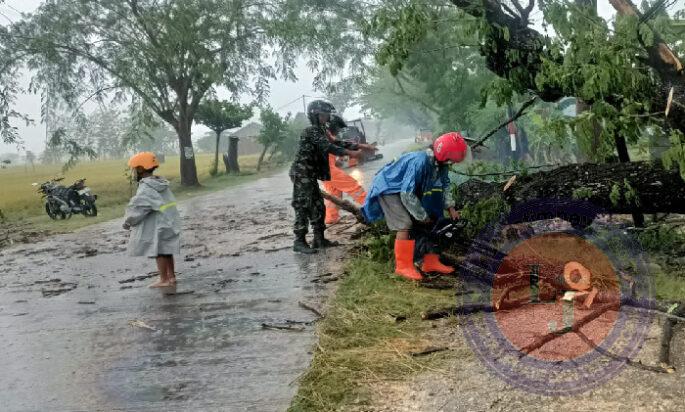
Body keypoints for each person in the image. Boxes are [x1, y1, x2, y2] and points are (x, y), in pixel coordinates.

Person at [362, 132, 468, 281]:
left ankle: (430, 262)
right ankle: (403, 266)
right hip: (389, 187)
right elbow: (407, 193)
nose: (454, 163)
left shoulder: (441, 164)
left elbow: (445, 185)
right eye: (453, 159)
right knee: (405, 223)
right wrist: (421, 216)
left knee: (435, 218)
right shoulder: (420, 161)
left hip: (405, 189)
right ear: (445, 154)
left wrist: (450, 208)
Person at [289, 100, 374, 254]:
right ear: (315, 115)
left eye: (327, 115)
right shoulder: (311, 131)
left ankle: (319, 239)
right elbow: (328, 147)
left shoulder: (322, 131)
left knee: (318, 206)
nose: (327, 118)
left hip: (311, 174)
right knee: (303, 206)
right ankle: (299, 241)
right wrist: (352, 154)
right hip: (302, 173)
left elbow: (338, 142)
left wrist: (362, 146)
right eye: (324, 115)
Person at [123, 152, 181, 288]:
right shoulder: (160, 182)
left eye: (134, 169)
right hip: (169, 220)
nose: (133, 172)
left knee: (159, 251)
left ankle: (163, 279)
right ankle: (171, 276)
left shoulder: (145, 187)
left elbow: (140, 208)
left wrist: (128, 221)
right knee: (167, 249)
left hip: (158, 223)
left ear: (140, 169)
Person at [322, 115, 368, 225]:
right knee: (354, 187)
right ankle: (372, 210)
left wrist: (336, 161)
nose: (339, 131)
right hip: (327, 169)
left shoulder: (323, 135)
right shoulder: (326, 136)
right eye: (338, 129)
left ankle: (331, 218)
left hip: (324, 169)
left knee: (334, 193)